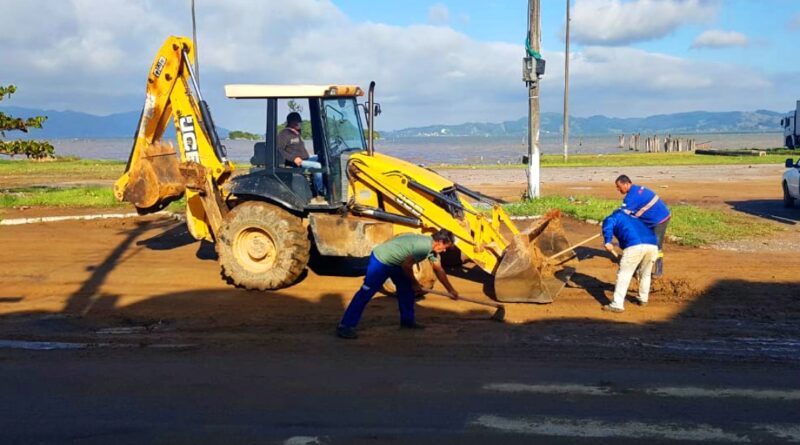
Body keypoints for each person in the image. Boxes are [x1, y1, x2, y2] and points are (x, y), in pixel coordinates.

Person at [336, 229, 460, 339]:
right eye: (445, 247)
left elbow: (439, 270)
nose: (444, 251)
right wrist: (415, 283)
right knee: (365, 293)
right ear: (439, 242)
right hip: (381, 260)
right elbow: (407, 266)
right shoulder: (423, 247)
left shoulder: (432, 249)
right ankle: (345, 326)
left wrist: (450, 290)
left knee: (407, 291)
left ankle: (407, 321)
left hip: (397, 263)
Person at [601, 209, 659, 313]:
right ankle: (643, 299)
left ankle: (617, 304)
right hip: (653, 245)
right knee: (645, 273)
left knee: (624, 274)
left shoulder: (613, 217)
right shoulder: (636, 218)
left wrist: (607, 241)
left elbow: (608, 226)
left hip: (635, 245)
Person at [614, 174, 671, 276]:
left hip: (660, 220)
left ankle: (658, 271)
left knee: (656, 246)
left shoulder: (631, 197)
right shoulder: (635, 189)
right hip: (650, 219)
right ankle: (640, 264)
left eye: (619, 186)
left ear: (626, 184)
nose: (618, 189)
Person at [277, 111, 325, 203]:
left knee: (323, 157)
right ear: (291, 122)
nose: (299, 123)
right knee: (317, 166)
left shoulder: (297, 133)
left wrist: (308, 155)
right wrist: (293, 159)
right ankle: (320, 192)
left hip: (304, 158)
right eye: (297, 121)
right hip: (294, 162)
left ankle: (325, 185)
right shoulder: (284, 134)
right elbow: (279, 150)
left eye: (300, 121)